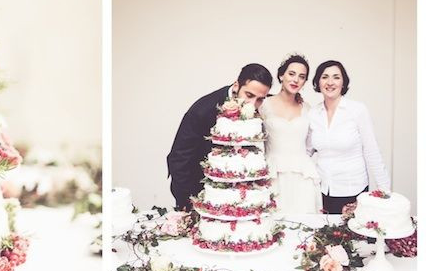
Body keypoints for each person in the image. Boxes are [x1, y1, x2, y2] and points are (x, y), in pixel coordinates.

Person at [167, 63, 272, 210]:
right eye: (249, 95)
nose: (253, 104)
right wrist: (189, 201)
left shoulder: (262, 106)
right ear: (236, 85)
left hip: (239, 197)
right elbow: (179, 157)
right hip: (199, 189)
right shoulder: (203, 109)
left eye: (260, 99)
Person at [307, 60, 391, 214]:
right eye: (325, 77)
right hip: (323, 190)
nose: (330, 82)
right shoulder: (313, 114)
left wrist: (384, 190)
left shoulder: (357, 110)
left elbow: (372, 150)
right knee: (327, 236)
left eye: (336, 77)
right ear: (317, 82)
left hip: (353, 189)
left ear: (343, 82)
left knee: (353, 236)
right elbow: (306, 151)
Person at [260, 54, 320, 213]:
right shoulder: (263, 105)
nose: (295, 80)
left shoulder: (307, 109)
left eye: (301, 77)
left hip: (302, 177)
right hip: (274, 174)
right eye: (291, 74)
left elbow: (310, 146)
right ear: (281, 75)